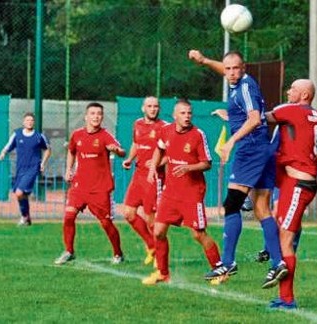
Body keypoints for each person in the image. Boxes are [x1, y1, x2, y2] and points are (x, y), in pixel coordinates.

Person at [188, 49, 286, 287]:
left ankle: (228, 262)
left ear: (244, 69)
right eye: (227, 68)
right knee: (262, 207)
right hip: (261, 147)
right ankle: (278, 263)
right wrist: (204, 61)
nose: (230, 73)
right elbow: (226, 72)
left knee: (232, 203)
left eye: (235, 68)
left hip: (250, 148)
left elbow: (254, 118)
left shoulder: (244, 87)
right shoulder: (240, 81)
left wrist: (231, 141)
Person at [264, 79, 317, 309]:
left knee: (285, 240)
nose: (288, 91)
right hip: (297, 182)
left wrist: (233, 115)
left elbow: (261, 118)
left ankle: (288, 300)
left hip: (299, 184)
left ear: (304, 95)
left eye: (293, 89)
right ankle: (283, 293)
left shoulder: (290, 110)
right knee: (284, 235)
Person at [141, 99, 222, 285]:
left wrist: (189, 168)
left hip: (192, 192)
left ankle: (220, 270)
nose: (187, 117)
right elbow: (159, 149)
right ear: (174, 116)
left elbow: (207, 164)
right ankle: (162, 273)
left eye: (189, 113)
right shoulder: (166, 130)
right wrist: (153, 168)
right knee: (158, 231)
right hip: (171, 192)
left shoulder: (197, 135)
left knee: (197, 234)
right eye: (183, 113)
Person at [54, 103, 126, 265]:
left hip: (100, 189)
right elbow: (71, 152)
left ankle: (118, 253)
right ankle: (69, 251)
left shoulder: (105, 135)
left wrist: (116, 150)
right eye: (92, 113)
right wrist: (68, 170)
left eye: (99, 114)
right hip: (79, 186)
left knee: (106, 223)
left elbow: (122, 152)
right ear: (86, 117)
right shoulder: (77, 135)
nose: (96, 116)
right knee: (68, 216)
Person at [121, 96, 168, 266]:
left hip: (154, 178)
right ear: (143, 108)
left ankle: (159, 255)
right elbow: (136, 143)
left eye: (156, 106)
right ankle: (151, 246)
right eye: (150, 106)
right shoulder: (137, 124)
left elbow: (171, 154)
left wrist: (156, 165)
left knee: (151, 219)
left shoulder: (164, 127)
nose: (153, 109)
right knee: (128, 213)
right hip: (138, 174)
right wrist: (129, 159)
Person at [0, 112, 51, 226]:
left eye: (31, 120)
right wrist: (3, 152)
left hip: (33, 168)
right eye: (27, 120)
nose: (29, 122)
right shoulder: (17, 134)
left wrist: (43, 163)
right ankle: (27, 217)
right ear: (23, 122)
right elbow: (9, 145)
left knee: (19, 193)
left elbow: (47, 149)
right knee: (22, 195)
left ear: (34, 122)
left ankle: (23, 216)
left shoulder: (38, 136)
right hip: (20, 169)